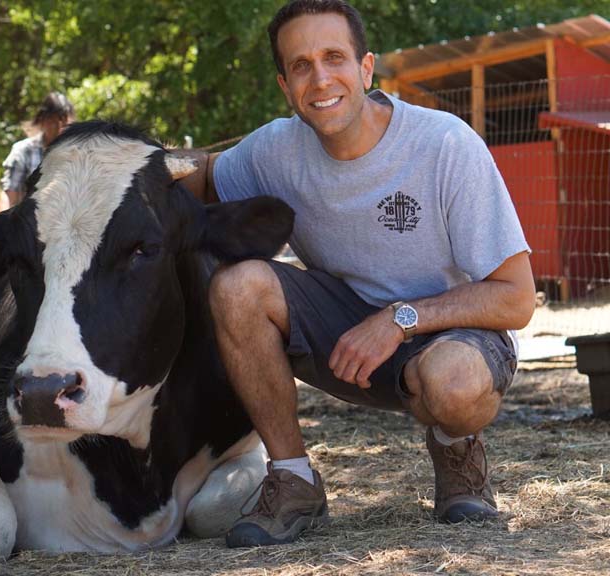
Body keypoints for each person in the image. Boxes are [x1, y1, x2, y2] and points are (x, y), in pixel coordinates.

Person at [178, 0, 536, 548]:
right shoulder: (274, 149)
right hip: (344, 334)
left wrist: (399, 319)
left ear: (366, 68)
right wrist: (113, 163)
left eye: (334, 57)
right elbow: (198, 177)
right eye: (301, 65)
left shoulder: (444, 144)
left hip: (451, 334)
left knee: (455, 384)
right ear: (284, 83)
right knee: (237, 286)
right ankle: (294, 479)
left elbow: (517, 300)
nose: (320, 78)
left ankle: (457, 453)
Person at [0, 91, 75, 208]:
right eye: (54, 121)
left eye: (65, 123)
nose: (60, 128)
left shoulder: (77, 154)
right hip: (28, 223)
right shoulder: (23, 151)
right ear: (43, 120)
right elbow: (10, 194)